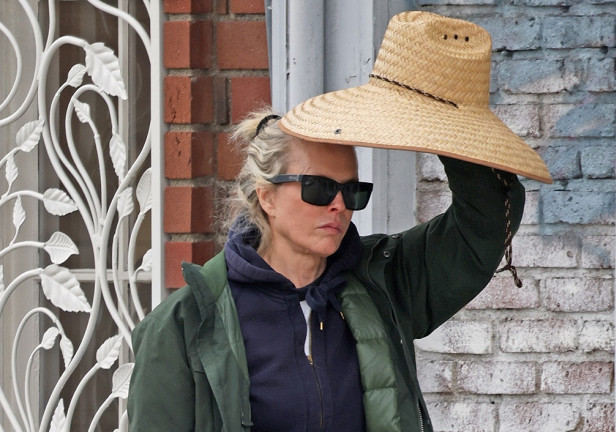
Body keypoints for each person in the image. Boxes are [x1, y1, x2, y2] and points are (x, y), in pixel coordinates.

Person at [128, 11, 551, 432]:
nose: (338, 206)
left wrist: (435, 115)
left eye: (352, 191)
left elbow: (486, 220)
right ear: (268, 196)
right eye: (318, 188)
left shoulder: (384, 282)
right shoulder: (183, 326)